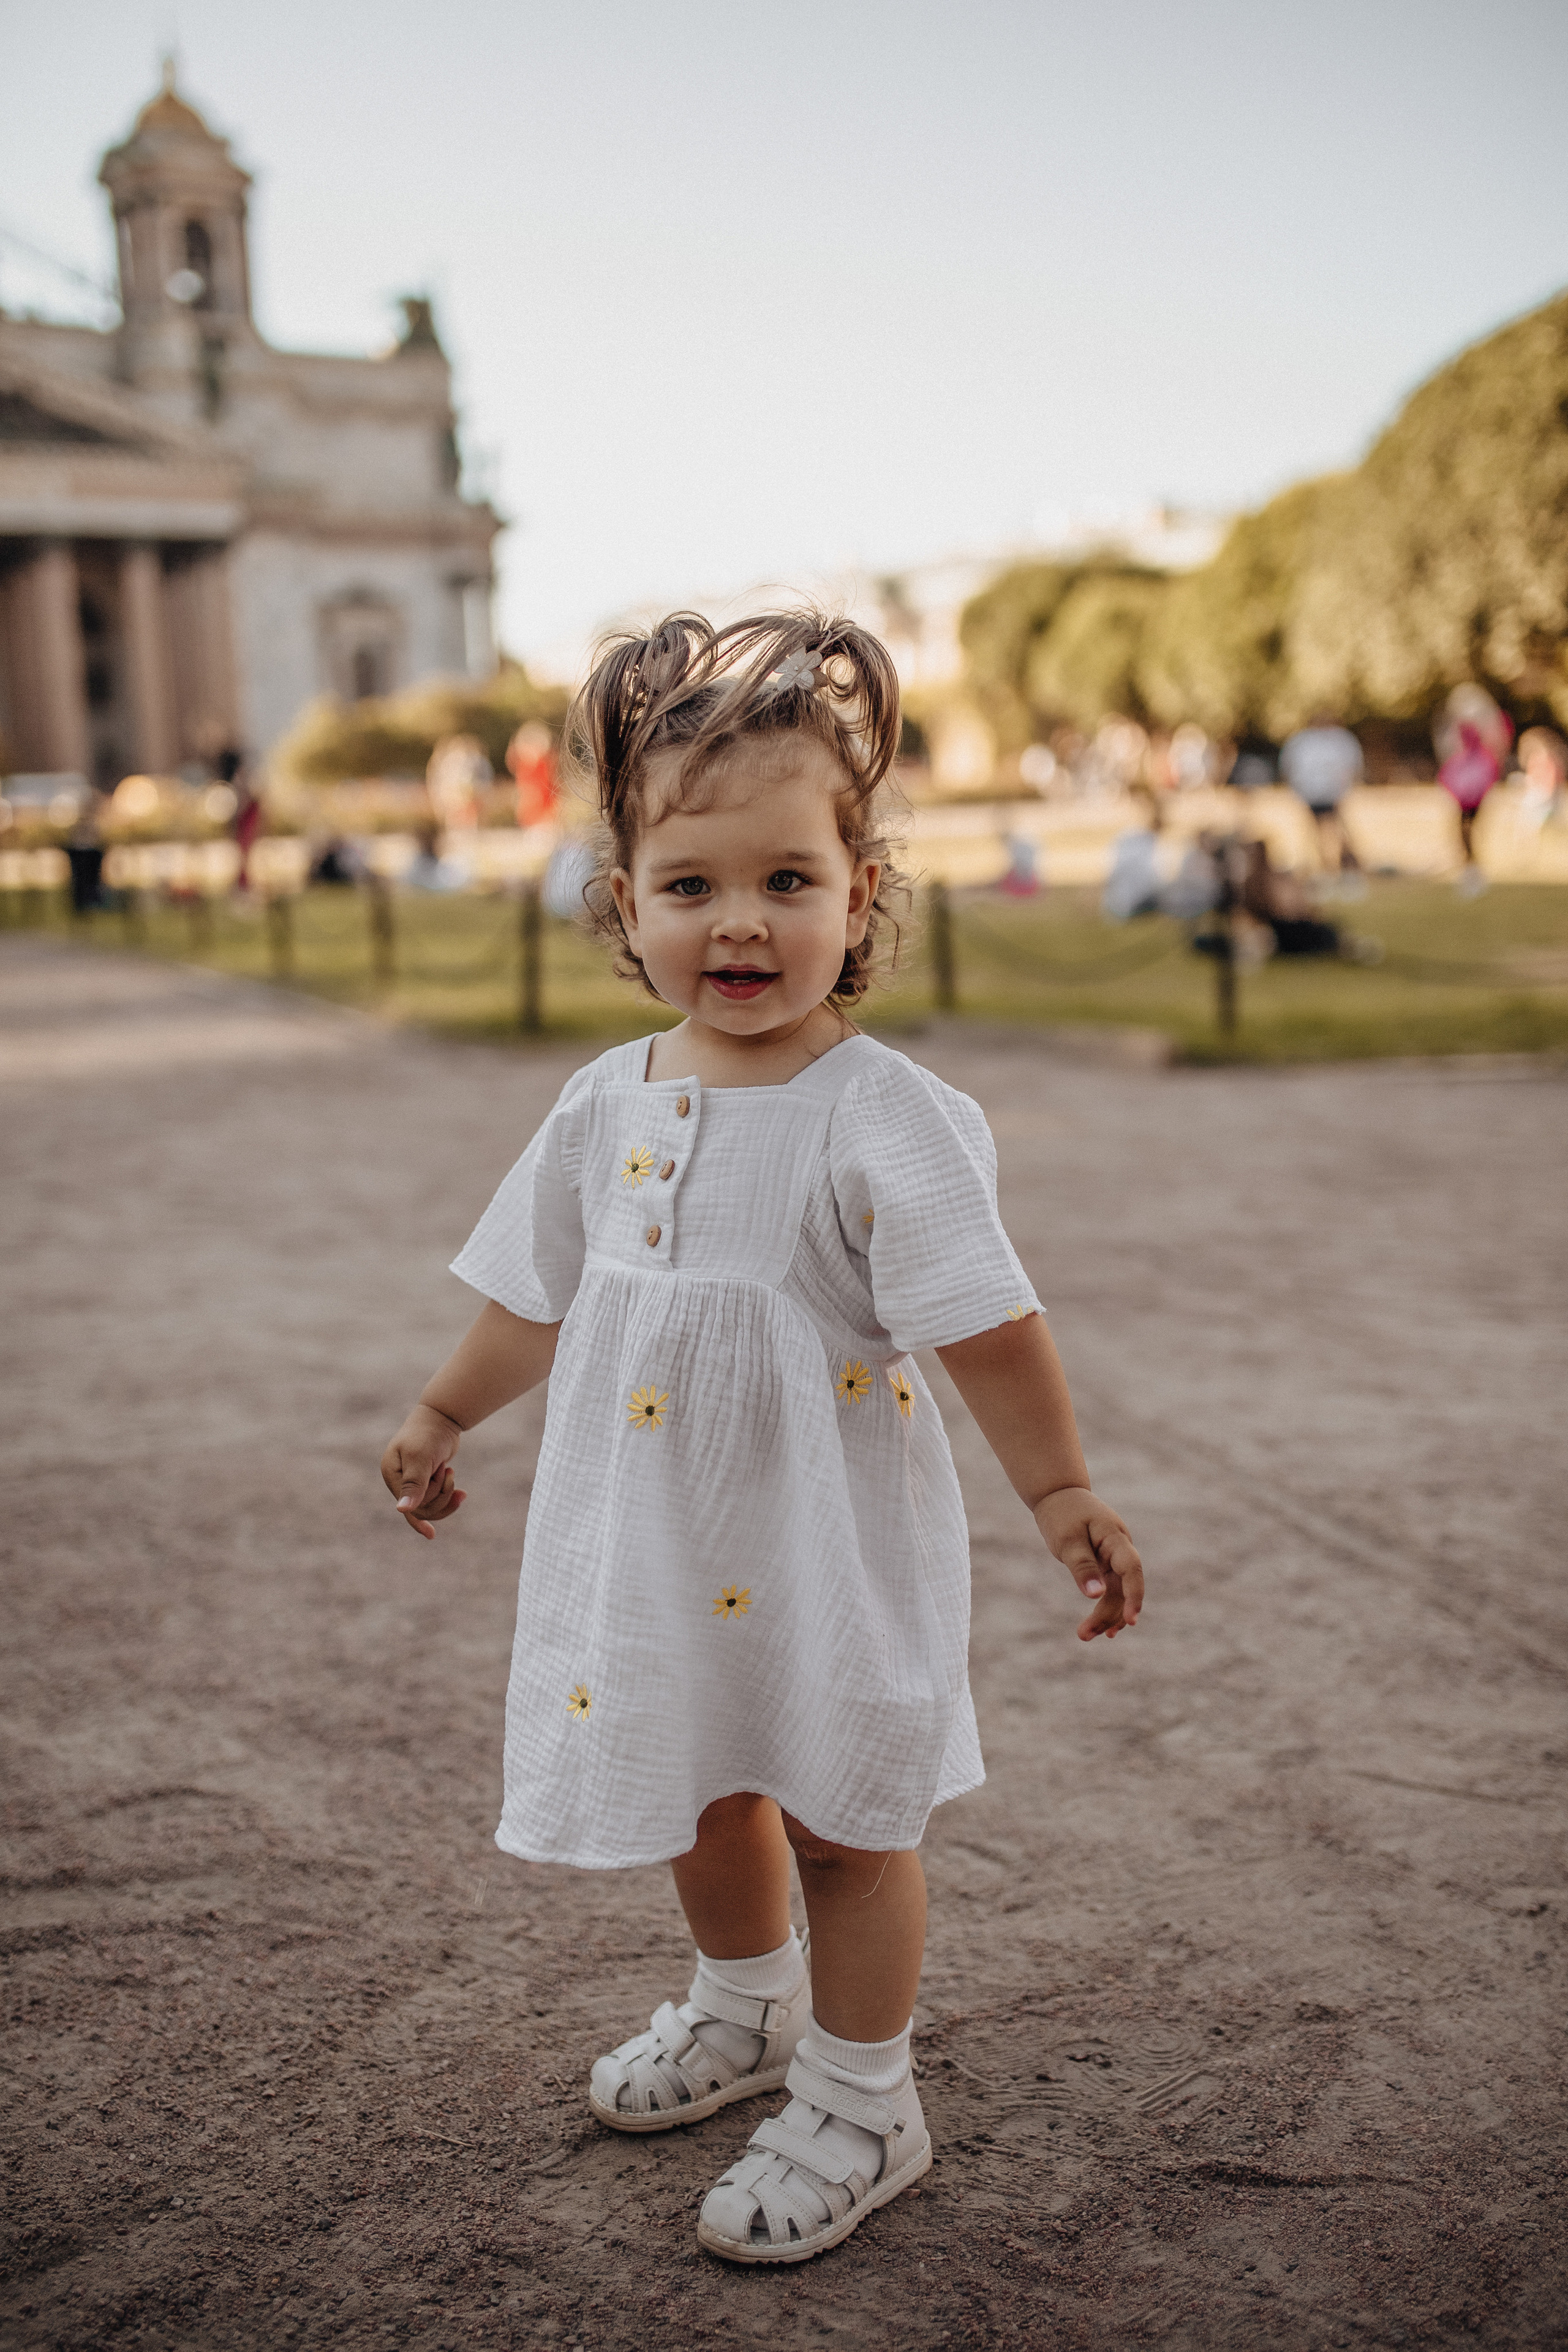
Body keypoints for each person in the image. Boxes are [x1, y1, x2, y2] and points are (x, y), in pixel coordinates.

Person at [379, 611, 1145, 2267]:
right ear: (626, 903)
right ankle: (742, 2005)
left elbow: (989, 1325)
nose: (742, 922)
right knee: (700, 1786)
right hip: (661, 1541)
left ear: (860, 895)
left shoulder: (886, 1118)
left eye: (789, 881)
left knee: (846, 1819)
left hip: (821, 1541)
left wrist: (1064, 1490)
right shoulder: (604, 1103)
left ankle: (869, 2096)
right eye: (695, 884)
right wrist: (446, 1411)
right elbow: (538, 1289)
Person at [1435, 683, 1512, 897]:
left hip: (1475, 775)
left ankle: (1473, 868)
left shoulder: (1487, 723)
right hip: (1464, 774)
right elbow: (1451, 747)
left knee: (1470, 823)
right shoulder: (1460, 724)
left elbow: (1496, 745)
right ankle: (1470, 868)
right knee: (1463, 824)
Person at [1279, 715, 1364, 883]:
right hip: (1311, 795)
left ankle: (1349, 869)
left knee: (1340, 833)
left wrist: (1345, 789)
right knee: (1317, 834)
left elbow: (1353, 766)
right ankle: (1326, 870)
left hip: (1333, 794)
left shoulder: (1340, 740)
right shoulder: (1302, 741)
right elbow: (1289, 766)